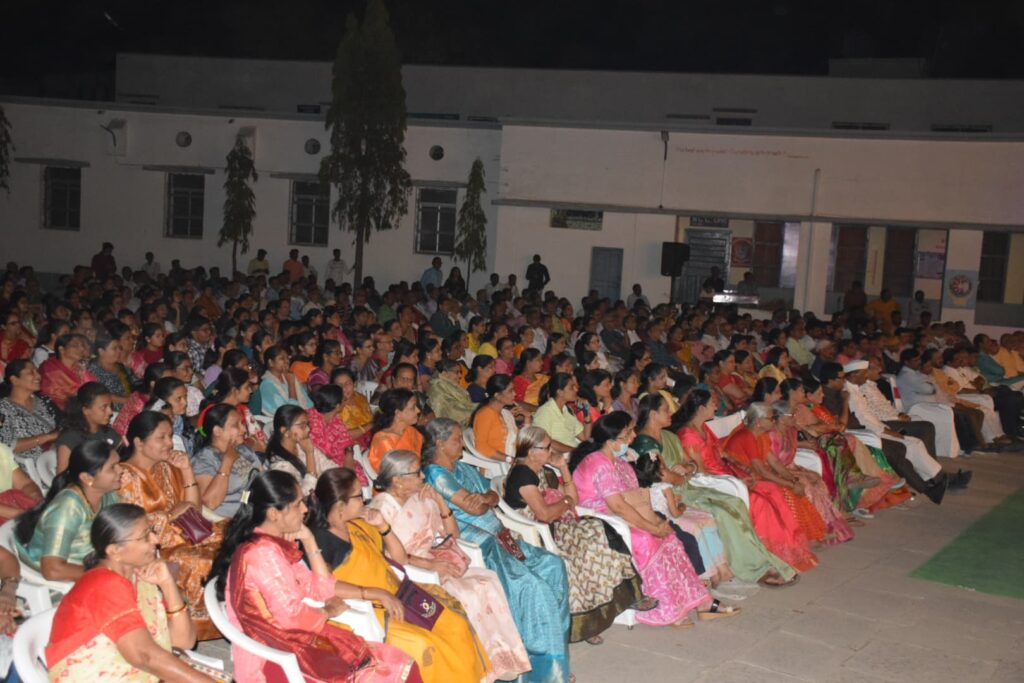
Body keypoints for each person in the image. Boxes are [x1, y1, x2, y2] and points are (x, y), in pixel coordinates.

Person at [208, 470, 422, 683]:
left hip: (290, 641)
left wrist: (309, 539)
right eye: (297, 504)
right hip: (275, 658)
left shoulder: (271, 543)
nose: (305, 509)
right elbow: (292, 618)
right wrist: (327, 611)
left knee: (395, 663)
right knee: (394, 669)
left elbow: (319, 587)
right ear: (274, 514)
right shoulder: (262, 554)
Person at [308, 466, 491, 683]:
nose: (365, 500)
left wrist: (383, 527)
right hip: (374, 608)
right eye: (359, 496)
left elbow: (400, 558)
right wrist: (376, 593)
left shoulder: (359, 524)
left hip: (401, 592)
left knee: (455, 624)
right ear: (340, 506)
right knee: (427, 646)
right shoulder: (320, 540)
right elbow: (325, 585)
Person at [422, 418, 571, 682]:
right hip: (479, 544)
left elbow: (491, 495)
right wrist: (483, 501)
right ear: (440, 443)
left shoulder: (463, 468)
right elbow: (473, 507)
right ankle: (542, 671)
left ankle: (555, 649)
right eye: (457, 439)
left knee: (553, 566)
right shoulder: (436, 474)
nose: (461, 443)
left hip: (501, 535)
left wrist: (485, 499)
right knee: (532, 587)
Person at [368, 449, 532, 680]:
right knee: (466, 595)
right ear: (398, 480)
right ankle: (479, 666)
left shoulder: (419, 497)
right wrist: (430, 566)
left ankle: (500, 658)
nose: (423, 478)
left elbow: (452, 536)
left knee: (487, 581)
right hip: (411, 574)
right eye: (417, 473)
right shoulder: (382, 508)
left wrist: (440, 503)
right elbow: (389, 558)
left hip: (435, 559)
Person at [571, 411, 738, 627]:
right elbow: (618, 506)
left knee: (671, 536)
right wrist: (651, 527)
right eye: (627, 433)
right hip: (602, 522)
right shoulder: (599, 463)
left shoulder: (619, 463)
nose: (632, 437)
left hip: (625, 517)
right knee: (648, 540)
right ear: (612, 441)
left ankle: (700, 602)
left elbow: (636, 499)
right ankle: (665, 607)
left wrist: (656, 523)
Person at [633, 393, 797, 586]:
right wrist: (685, 473)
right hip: (670, 495)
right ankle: (749, 567)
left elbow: (690, 463)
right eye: (665, 410)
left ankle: (756, 560)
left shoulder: (669, 436)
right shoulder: (644, 443)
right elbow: (663, 477)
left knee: (734, 503)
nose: (671, 412)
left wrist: (687, 470)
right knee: (722, 511)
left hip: (687, 484)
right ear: (653, 414)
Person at [505, 426, 647, 643]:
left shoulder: (542, 470)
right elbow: (544, 513)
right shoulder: (523, 474)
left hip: (553, 524)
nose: (552, 451)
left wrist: (563, 468)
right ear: (532, 451)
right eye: (547, 448)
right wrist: (565, 503)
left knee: (600, 532)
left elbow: (574, 499)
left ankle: (625, 600)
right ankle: (585, 624)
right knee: (579, 555)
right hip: (532, 533)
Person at [45, 503, 212, 681]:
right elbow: (145, 657)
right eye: (146, 536)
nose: (156, 540)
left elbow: (183, 640)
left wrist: (167, 584)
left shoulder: (138, 577)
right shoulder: (104, 585)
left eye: (152, 531)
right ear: (115, 552)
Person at [119, 411, 224, 640]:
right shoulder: (125, 476)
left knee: (234, 542)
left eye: (170, 436)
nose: (169, 443)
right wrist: (169, 516)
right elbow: (130, 525)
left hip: (185, 536)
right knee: (205, 562)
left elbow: (193, 510)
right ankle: (194, 627)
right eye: (161, 438)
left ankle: (235, 614)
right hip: (155, 549)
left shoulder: (166, 467)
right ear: (139, 442)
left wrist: (186, 470)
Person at [14, 440, 122, 582]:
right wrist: (107, 573)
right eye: (112, 467)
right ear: (87, 478)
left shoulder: (107, 495)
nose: (121, 469)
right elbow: (53, 570)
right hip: (65, 581)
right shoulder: (67, 508)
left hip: (96, 566)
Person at [192, 404, 265, 517]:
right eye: (236, 425)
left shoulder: (244, 450)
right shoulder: (204, 459)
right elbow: (210, 503)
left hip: (259, 511)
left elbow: (263, 478)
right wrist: (227, 462)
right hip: (232, 521)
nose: (243, 429)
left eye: (242, 423)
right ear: (217, 431)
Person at [0, 359, 60, 470]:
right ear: (15, 380)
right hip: (26, 467)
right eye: (31, 372)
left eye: (37, 371)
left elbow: (61, 426)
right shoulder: (3, 409)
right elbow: (4, 446)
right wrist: (46, 437)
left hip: (53, 461)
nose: (38, 376)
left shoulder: (44, 401)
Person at [264, 405, 337, 495]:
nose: (308, 429)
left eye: (307, 424)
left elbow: (326, 464)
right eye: (302, 426)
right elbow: (305, 494)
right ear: (285, 432)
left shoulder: (300, 444)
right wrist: (309, 454)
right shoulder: (280, 466)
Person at [55, 381, 120, 473]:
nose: (110, 412)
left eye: (110, 406)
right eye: (103, 407)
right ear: (86, 410)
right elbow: (62, 477)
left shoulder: (108, 432)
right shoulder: (70, 438)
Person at [533, 373, 591, 454]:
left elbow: (585, 438)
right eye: (571, 388)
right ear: (560, 392)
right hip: (558, 457)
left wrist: (587, 414)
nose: (576, 390)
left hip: (572, 453)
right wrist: (575, 451)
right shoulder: (544, 412)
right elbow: (545, 441)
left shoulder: (566, 410)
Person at [368, 389, 424, 472]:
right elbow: (394, 474)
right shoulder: (383, 440)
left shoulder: (410, 431)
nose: (418, 410)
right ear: (398, 413)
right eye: (413, 408)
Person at [472, 375, 524, 462]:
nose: (514, 394)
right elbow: (481, 446)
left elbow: (519, 438)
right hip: (496, 465)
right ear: (497, 395)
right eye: (510, 391)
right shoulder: (485, 415)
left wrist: (527, 418)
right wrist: (510, 459)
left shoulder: (504, 413)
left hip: (510, 459)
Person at [39, 332, 97, 410]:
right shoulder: (50, 368)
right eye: (75, 346)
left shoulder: (79, 368)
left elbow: (94, 388)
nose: (82, 349)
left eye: (82, 346)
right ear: (62, 349)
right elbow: (56, 397)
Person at [258, 345, 312, 416]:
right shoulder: (266, 386)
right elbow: (289, 413)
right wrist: (291, 384)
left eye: (287, 358)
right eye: (282, 358)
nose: (287, 361)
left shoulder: (289, 376)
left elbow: (308, 403)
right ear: (271, 362)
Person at [89, 331, 134, 406]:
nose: (119, 351)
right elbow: (96, 394)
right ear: (101, 351)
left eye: (119, 348)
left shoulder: (120, 367)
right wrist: (126, 401)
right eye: (114, 348)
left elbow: (135, 382)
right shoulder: (92, 370)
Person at [426, 359, 475, 426]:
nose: (460, 376)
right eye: (456, 372)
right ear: (445, 373)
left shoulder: (448, 385)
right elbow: (452, 411)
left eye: (460, 372)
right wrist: (477, 411)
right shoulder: (438, 388)